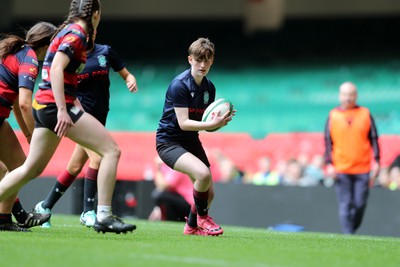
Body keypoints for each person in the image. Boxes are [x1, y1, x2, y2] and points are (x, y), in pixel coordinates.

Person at [0, 0, 136, 234]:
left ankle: (99, 214)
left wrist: (71, 102)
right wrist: (63, 109)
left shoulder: (66, 30)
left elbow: (61, 72)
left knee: (29, 168)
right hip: (54, 107)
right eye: (99, 13)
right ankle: (103, 215)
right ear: (94, 14)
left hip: (43, 106)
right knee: (111, 150)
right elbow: (55, 69)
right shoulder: (77, 34)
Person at [34, 29, 138, 228]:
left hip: (99, 118)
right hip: (80, 120)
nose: (87, 37)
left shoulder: (106, 51)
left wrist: (130, 79)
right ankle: (88, 211)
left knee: (74, 166)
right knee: (98, 157)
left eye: (91, 32)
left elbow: (125, 73)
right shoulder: (71, 58)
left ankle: (44, 207)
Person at [156, 37, 234, 236]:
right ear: (190, 59)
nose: (202, 65)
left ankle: (191, 227)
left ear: (212, 61)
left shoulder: (209, 88)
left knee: (209, 193)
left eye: (207, 60)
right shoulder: (179, 85)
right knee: (203, 175)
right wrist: (211, 124)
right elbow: (184, 123)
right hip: (169, 142)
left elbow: (205, 125)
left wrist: (218, 123)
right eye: (198, 60)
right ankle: (202, 218)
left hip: (190, 140)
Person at [0, 21, 57, 231]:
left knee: (17, 165)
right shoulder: (30, 59)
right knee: (10, 169)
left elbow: (15, 102)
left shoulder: (18, 52)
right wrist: (37, 135)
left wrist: (27, 134)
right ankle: (13, 216)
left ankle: (8, 218)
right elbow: (25, 103)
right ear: (48, 45)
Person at [324, 82, 380, 234]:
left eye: (351, 94)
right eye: (345, 94)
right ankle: (348, 236)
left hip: (362, 168)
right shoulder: (333, 115)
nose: (348, 98)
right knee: (345, 204)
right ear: (339, 96)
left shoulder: (365, 114)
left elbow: (374, 139)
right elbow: (328, 142)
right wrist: (329, 164)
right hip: (341, 168)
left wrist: (377, 161)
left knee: (360, 203)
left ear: (356, 95)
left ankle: (351, 232)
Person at [148, 156, 193, 222]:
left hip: (190, 204)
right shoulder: (168, 167)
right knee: (159, 195)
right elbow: (160, 187)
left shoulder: (178, 166)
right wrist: (157, 208)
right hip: (179, 200)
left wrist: (158, 167)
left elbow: (163, 186)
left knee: (158, 195)